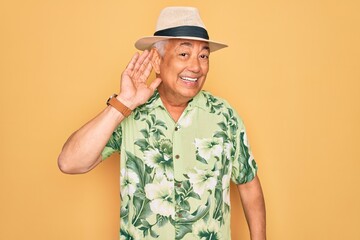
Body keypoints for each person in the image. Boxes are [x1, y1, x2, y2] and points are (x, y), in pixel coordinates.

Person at [58, 6, 266, 240]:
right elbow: (70, 163)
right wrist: (123, 103)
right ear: (157, 61)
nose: (196, 67)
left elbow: (249, 185)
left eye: (204, 56)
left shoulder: (224, 115)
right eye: (184, 54)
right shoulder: (130, 113)